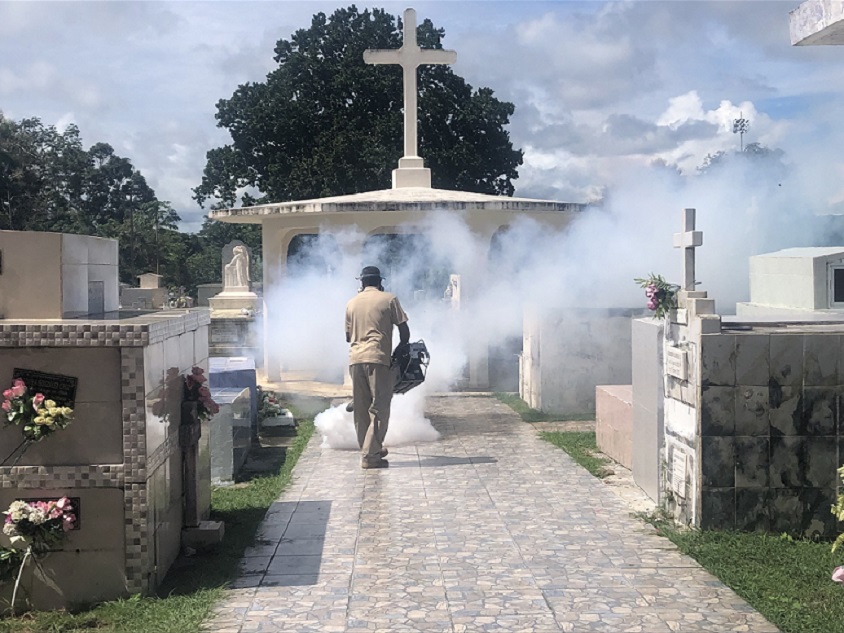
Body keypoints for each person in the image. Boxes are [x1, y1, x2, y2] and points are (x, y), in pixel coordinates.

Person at [345, 265, 409, 469]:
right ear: (380, 282)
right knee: (380, 408)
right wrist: (400, 349)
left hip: (355, 359)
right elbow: (404, 330)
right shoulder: (389, 299)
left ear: (361, 283)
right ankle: (371, 455)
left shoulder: (351, 304)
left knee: (361, 408)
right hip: (379, 359)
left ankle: (370, 448)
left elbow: (348, 337)